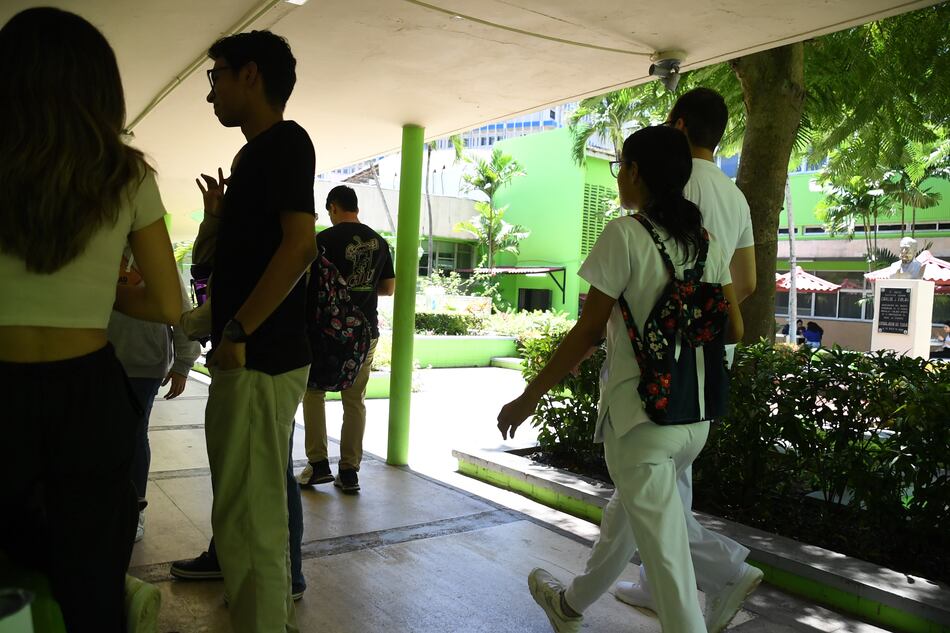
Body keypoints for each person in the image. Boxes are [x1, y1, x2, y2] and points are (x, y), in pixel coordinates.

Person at [498, 125, 743, 633]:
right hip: (694, 419)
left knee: (670, 570)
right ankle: (568, 605)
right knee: (626, 521)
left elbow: (588, 331)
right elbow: (734, 328)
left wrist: (528, 397)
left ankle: (722, 581)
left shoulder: (625, 234)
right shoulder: (706, 244)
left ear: (635, 172)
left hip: (640, 421)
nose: (618, 177)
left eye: (619, 167)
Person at [0, 7, 181, 631]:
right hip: (87, 393)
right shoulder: (126, 174)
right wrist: (102, 293)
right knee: (90, 577)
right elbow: (168, 304)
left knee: (6, 574)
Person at [614, 87, 763, 633]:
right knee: (667, 478)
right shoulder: (735, 195)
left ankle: (722, 571)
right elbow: (744, 283)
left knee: (651, 481)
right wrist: (702, 315)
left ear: (677, 127)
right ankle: (649, 586)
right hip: (710, 354)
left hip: (658, 357)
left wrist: (673, 316)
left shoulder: (671, 184)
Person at [198, 30, 317, 631]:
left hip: (260, 359)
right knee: (244, 518)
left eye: (216, 75)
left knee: (252, 524)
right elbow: (249, 261)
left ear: (250, 75)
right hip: (248, 357)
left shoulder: (286, 142)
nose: (211, 92)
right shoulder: (254, 158)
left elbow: (300, 247)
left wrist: (240, 330)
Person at [171, 154, 308, 603]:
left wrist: (230, 332)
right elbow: (206, 274)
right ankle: (240, 565)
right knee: (250, 477)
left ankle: (280, 579)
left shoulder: (274, 234)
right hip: (245, 361)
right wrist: (214, 219)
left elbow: (222, 294)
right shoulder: (244, 233)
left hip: (263, 364)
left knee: (270, 478)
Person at [298, 185, 395, 493]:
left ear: (333, 207)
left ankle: (318, 464)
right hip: (364, 333)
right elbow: (388, 288)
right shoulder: (379, 242)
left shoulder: (322, 241)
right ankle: (349, 471)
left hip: (324, 333)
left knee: (314, 393)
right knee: (355, 401)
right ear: (356, 208)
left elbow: (305, 284)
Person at [108, 254, 201, 542]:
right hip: (97, 360)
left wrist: (183, 363)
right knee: (101, 436)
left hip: (144, 362)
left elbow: (180, 308)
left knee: (135, 434)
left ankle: (134, 508)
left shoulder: (152, 253)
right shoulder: (93, 245)